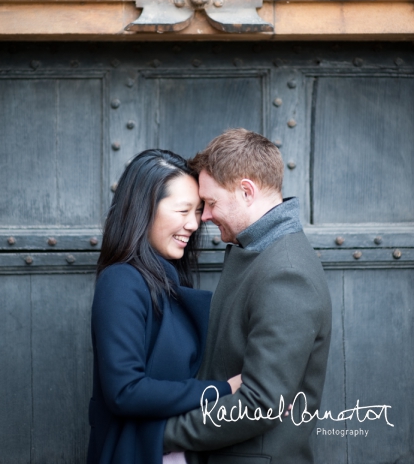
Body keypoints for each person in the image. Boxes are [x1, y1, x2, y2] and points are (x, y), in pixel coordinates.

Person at [162, 129, 333, 464]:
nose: (205, 218)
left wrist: (162, 433)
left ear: (246, 191)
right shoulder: (255, 250)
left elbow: (259, 404)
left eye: (210, 203)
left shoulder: (286, 273)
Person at [88, 149, 241, 464]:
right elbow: (125, 391)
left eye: (198, 211)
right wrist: (223, 389)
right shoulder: (122, 281)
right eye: (183, 210)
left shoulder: (166, 282)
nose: (194, 224)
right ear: (144, 210)